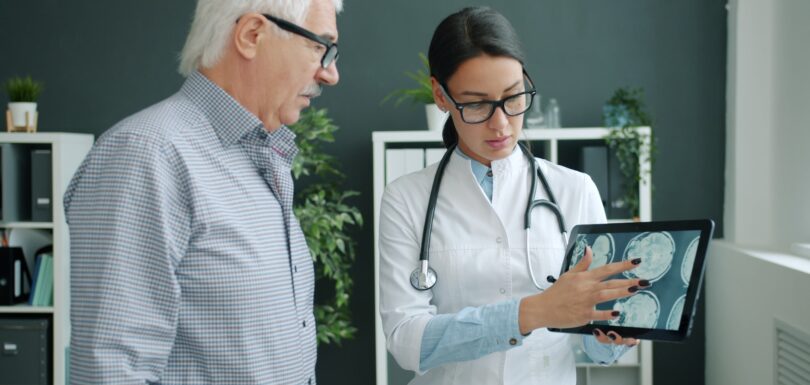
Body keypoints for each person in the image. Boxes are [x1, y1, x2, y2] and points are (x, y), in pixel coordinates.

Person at [63, 0, 342, 383]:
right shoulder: (146, 155)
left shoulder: (261, 157)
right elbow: (113, 371)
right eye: (320, 47)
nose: (331, 73)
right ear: (252, 35)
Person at [378, 6, 649, 385]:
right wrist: (532, 312)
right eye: (476, 104)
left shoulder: (575, 190)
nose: (501, 123)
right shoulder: (405, 199)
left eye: (513, 97)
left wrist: (612, 337)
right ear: (441, 96)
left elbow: (595, 346)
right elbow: (407, 342)